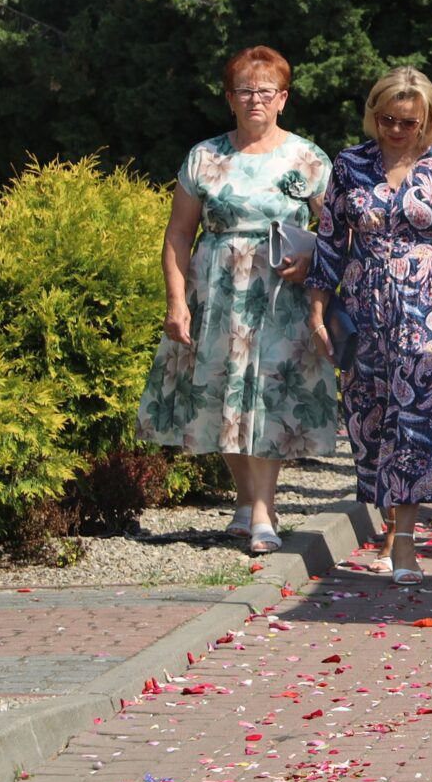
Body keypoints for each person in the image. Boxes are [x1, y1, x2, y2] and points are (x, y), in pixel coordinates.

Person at [139, 45, 340, 554]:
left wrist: (313, 259)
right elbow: (178, 234)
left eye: (266, 91)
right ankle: (247, 499)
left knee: (268, 395)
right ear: (229, 99)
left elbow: (337, 231)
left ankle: (264, 514)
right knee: (224, 395)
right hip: (218, 292)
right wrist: (177, 301)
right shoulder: (204, 157)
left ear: (283, 99)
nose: (255, 100)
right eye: (245, 91)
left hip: (281, 297)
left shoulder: (308, 158)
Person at [306, 68, 432, 585]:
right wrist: (317, 314)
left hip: (425, 313)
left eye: (409, 122)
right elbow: (329, 243)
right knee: (367, 425)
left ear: (427, 119)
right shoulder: (350, 164)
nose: (397, 130)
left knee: (417, 424)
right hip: (362, 312)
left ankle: (404, 539)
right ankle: (387, 527)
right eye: (387, 119)